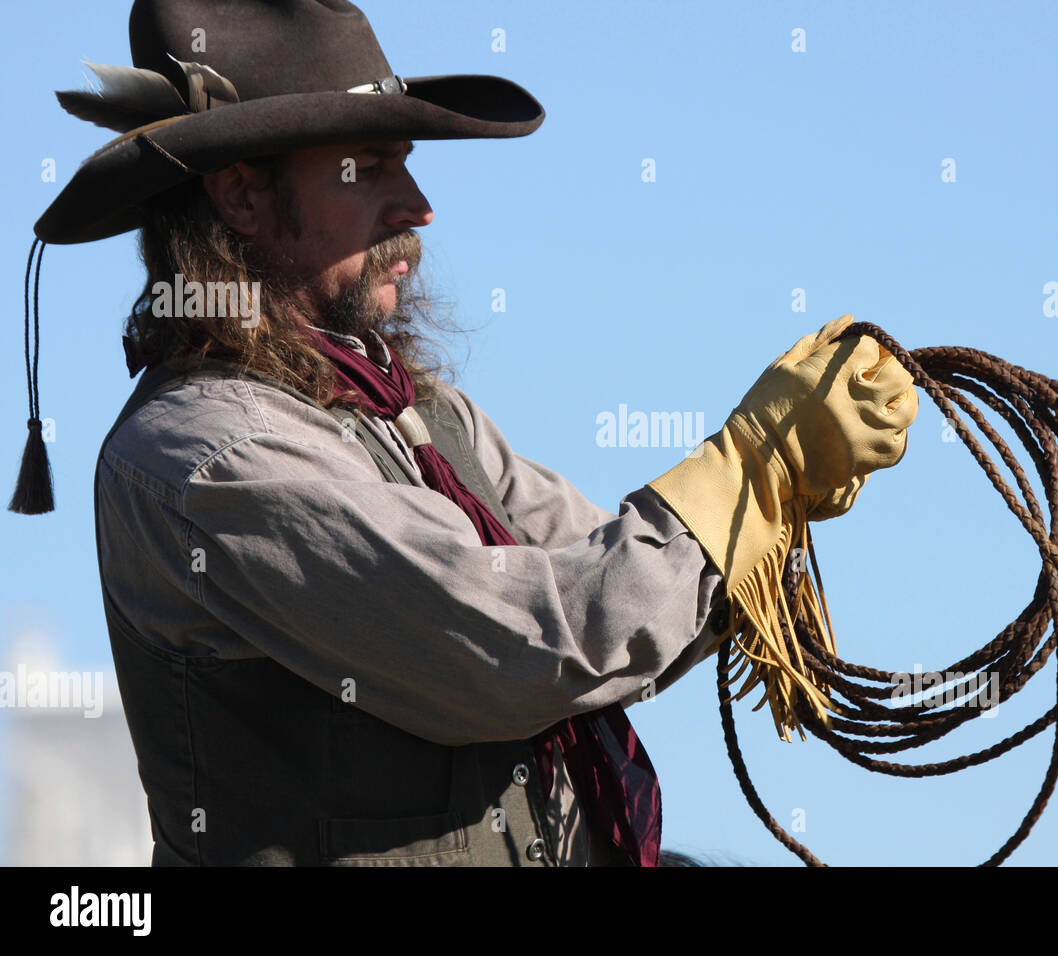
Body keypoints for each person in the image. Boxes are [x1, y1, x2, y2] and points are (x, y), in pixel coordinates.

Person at [14, 0, 919, 866]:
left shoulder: (418, 413)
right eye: (368, 168)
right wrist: (754, 468)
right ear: (243, 196)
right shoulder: (208, 457)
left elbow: (606, 583)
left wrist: (769, 497)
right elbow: (526, 642)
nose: (418, 207)